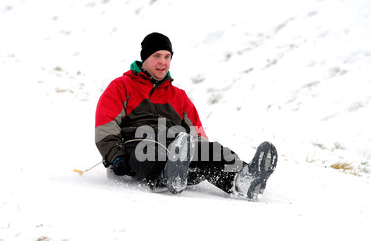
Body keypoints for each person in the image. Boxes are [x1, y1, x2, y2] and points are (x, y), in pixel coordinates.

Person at [95, 32, 278, 200]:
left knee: (210, 149)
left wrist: (204, 153)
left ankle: (243, 179)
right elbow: (106, 127)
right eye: (157, 56)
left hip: (177, 148)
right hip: (137, 143)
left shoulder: (178, 96)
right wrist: (115, 157)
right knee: (147, 147)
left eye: (167, 57)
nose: (163, 62)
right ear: (145, 58)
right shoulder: (122, 86)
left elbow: (197, 133)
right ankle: (166, 175)